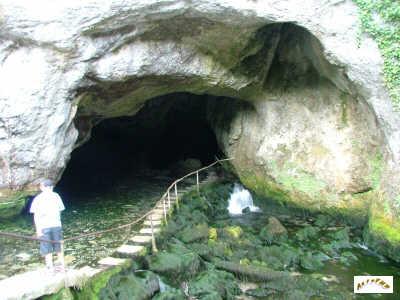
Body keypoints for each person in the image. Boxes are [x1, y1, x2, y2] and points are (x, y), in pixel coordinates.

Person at [30, 179, 65, 272]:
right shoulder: (56, 196)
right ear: (51, 187)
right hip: (56, 225)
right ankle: (62, 266)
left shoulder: (38, 198)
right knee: (58, 246)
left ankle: (51, 268)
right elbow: (60, 210)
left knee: (47, 248)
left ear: (42, 188)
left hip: (44, 226)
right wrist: (59, 222)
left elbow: (36, 216)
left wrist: (38, 230)